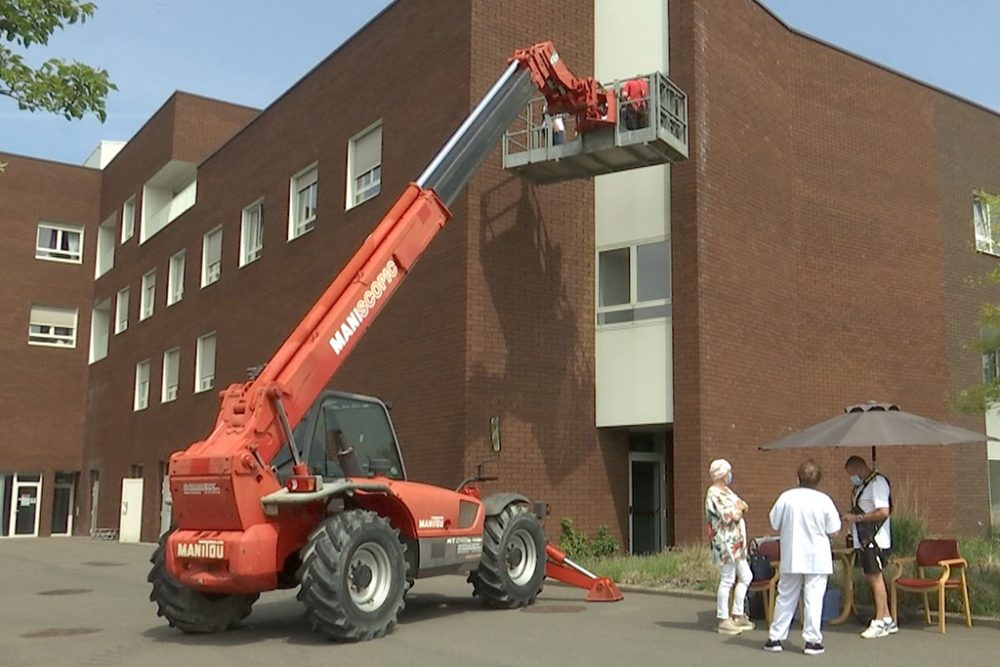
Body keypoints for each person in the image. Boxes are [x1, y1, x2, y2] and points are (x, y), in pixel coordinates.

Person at [765, 460, 841, 656]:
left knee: (786, 596)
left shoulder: (786, 497)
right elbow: (834, 529)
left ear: (797, 477)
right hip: (817, 556)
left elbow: (774, 522)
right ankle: (812, 641)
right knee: (814, 598)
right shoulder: (824, 500)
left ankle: (775, 637)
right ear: (819, 479)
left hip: (792, 554)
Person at [842, 455, 896, 638]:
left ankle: (879, 621)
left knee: (875, 577)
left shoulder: (877, 484)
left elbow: (883, 511)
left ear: (859, 469)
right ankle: (887, 618)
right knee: (870, 575)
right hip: (863, 538)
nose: (851, 478)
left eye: (851, 474)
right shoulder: (861, 487)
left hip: (876, 539)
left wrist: (857, 518)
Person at [704, 458, 754, 635]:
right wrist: (738, 510)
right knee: (727, 579)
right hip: (725, 543)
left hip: (737, 544)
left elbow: (743, 505)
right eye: (728, 472)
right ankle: (723, 618)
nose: (730, 475)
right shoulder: (713, 494)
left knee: (746, 576)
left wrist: (739, 509)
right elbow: (729, 515)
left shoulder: (727, 491)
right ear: (721, 474)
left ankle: (738, 613)